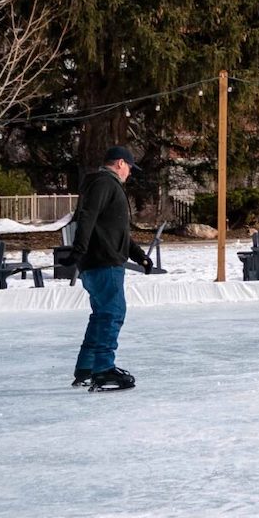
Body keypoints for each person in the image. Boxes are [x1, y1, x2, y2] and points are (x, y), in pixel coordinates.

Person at [62, 146, 155, 392]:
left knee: (101, 315)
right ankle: (103, 370)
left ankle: (86, 368)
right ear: (121, 164)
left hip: (99, 262)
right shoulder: (105, 184)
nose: (130, 174)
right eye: (130, 169)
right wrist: (79, 250)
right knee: (113, 314)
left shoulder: (101, 185)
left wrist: (140, 257)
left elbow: (115, 230)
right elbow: (87, 217)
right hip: (103, 262)